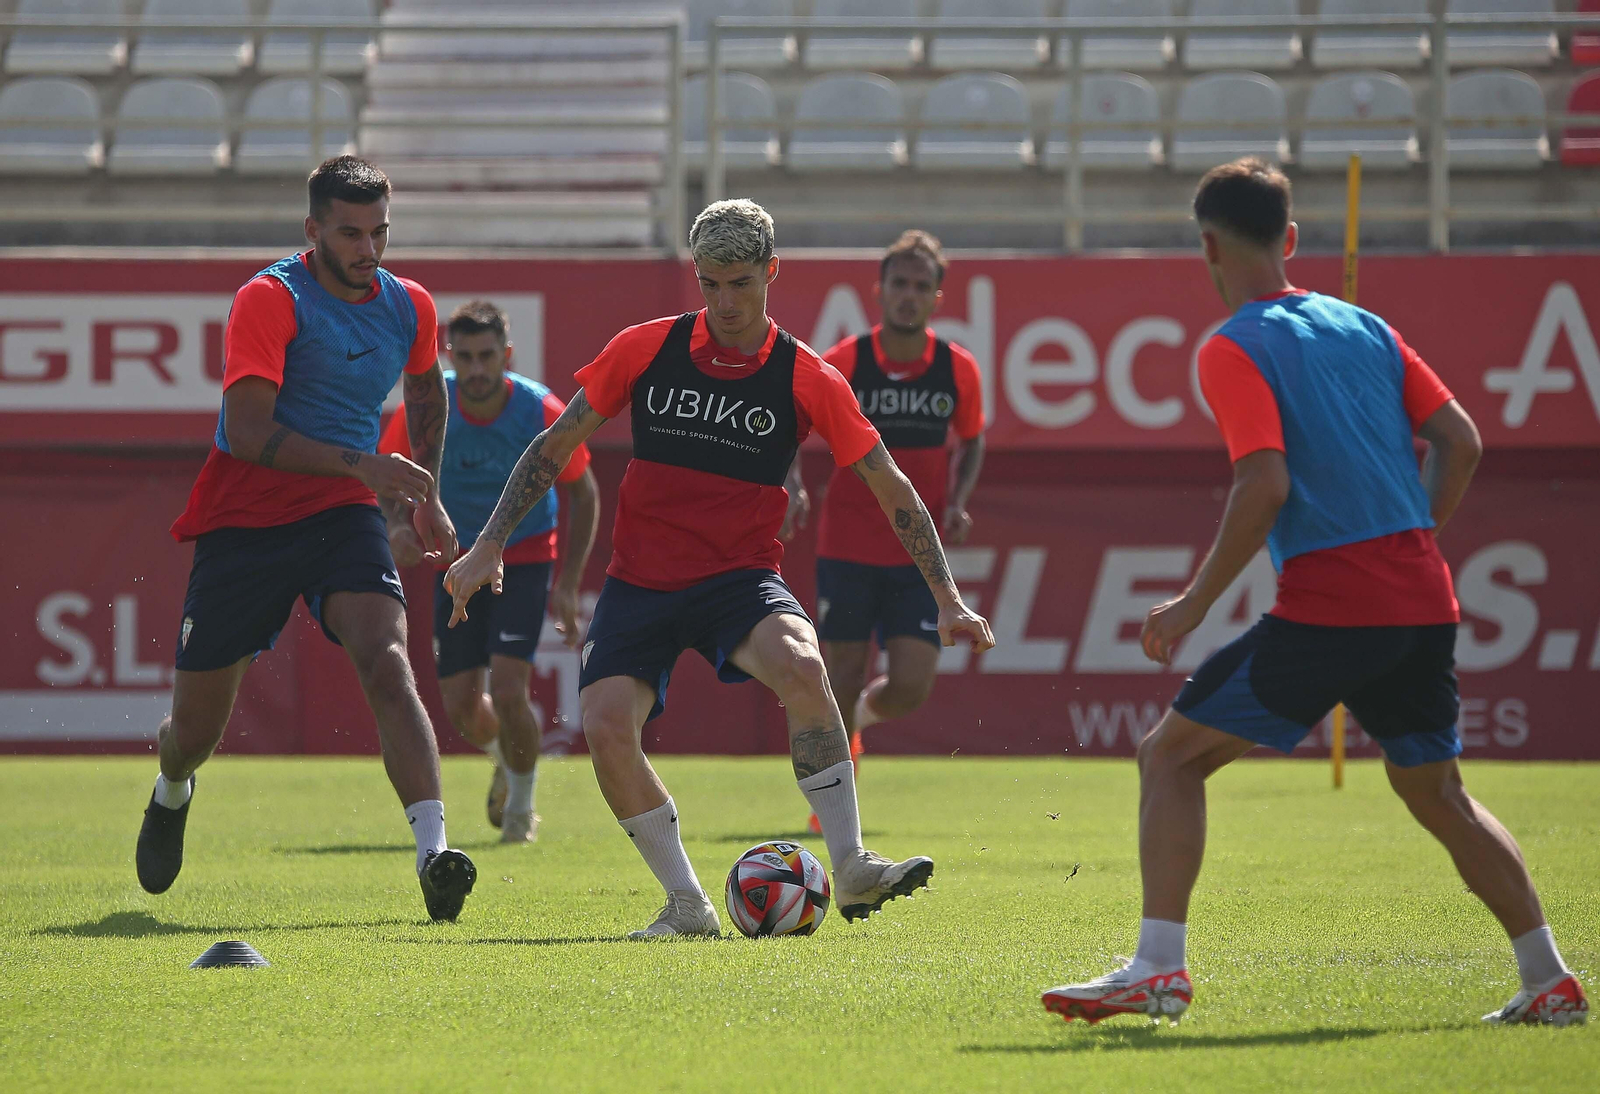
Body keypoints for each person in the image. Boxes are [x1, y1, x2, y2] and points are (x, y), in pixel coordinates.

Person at [1040, 158, 1587, 1028]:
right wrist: (1411, 538)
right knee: (1437, 794)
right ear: (1290, 240)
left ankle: (1157, 967)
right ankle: (1547, 976)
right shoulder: (1367, 326)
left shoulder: (1231, 346)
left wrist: (1191, 604)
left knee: (1168, 757)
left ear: (1209, 247)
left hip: (1337, 605)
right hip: (1422, 601)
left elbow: (1263, 485)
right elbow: (1463, 441)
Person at [446, 199, 995, 939]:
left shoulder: (809, 376)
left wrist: (949, 598)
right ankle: (687, 904)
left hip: (739, 580)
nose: (726, 302)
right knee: (607, 727)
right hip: (640, 582)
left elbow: (892, 486)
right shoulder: (644, 348)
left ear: (771, 272)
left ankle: (854, 864)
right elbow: (554, 444)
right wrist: (489, 544)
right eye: (711, 284)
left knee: (805, 666)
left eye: (741, 283)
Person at [138, 156, 478, 923]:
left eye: (380, 232)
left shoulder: (411, 305)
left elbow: (425, 393)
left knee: (388, 658)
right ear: (312, 230)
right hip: (244, 517)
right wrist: (372, 465)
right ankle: (171, 789)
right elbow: (253, 433)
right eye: (351, 233)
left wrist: (421, 492)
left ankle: (434, 856)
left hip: (342, 512)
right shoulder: (268, 298)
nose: (368, 249)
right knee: (193, 734)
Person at [786, 230, 985, 835]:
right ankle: (837, 805)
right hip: (846, 547)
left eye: (921, 286)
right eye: (899, 283)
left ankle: (863, 722)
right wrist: (792, 482)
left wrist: (959, 500)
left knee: (911, 686)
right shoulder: (847, 360)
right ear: (879, 290)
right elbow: (792, 421)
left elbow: (972, 440)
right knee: (839, 674)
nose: (908, 295)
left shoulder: (958, 369)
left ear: (937, 298)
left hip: (917, 558)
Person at [378, 300, 600, 843]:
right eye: (466, 357)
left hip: (523, 558)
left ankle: (521, 814)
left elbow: (585, 492)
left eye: (487, 357)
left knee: (507, 688)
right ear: (451, 355)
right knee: (460, 708)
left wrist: (568, 583)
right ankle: (510, 755)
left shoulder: (539, 409)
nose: (477, 370)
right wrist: (397, 526)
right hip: (454, 563)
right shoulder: (426, 408)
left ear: (507, 355)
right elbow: (387, 478)